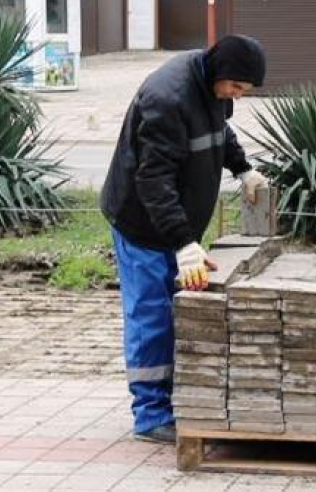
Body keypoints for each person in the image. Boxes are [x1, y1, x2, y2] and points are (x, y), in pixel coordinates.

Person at [100, 35, 269, 444]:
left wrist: (243, 169)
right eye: (238, 88)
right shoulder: (167, 99)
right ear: (222, 75)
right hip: (141, 224)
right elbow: (153, 181)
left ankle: (175, 400)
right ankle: (150, 415)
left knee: (176, 315)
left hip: (176, 226)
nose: (238, 97)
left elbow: (217, 132)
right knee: (151, 317)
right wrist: (184, 243)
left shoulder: (211, 84)